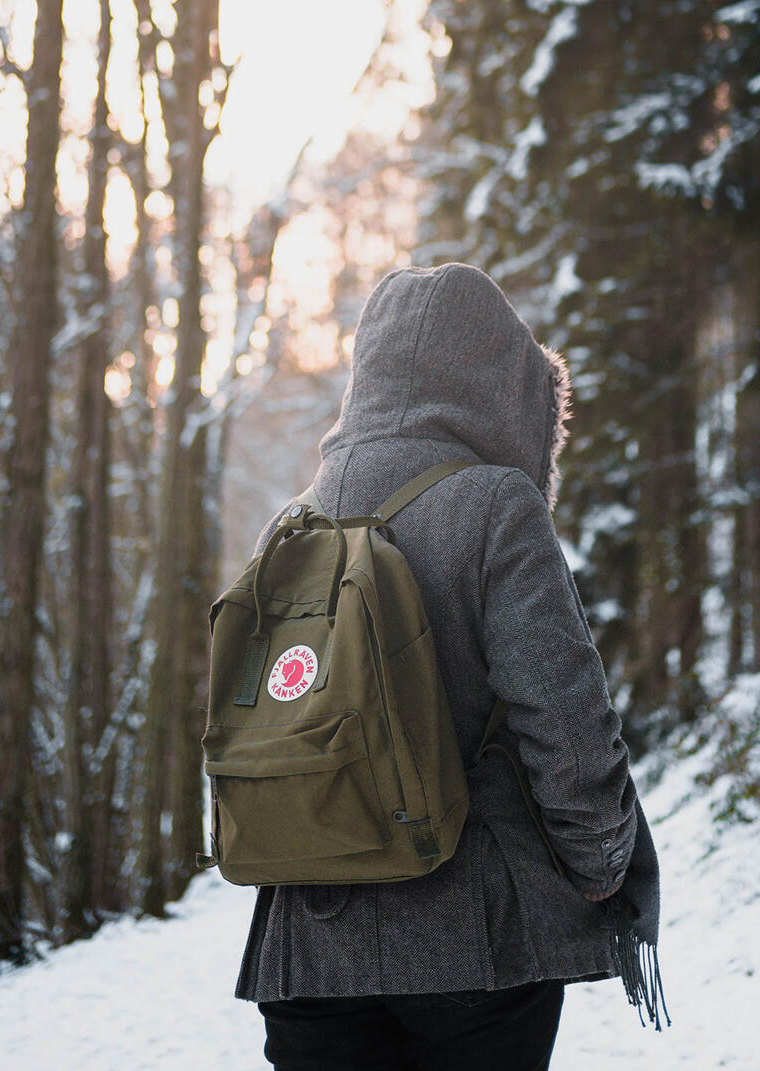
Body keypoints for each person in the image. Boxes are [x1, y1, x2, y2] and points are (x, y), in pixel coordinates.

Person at [234, 262, 666, 1070]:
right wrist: (601, 864)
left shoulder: (288, 524)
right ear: (494, 380)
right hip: (475, 941)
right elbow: (565, 720)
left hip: (305, 941)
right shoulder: (497, 504)